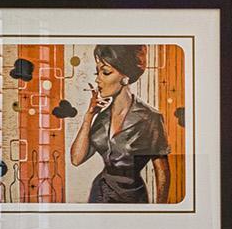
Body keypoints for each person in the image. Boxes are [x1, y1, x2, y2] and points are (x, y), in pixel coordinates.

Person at [69, 43, 169, 204]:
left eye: (105, 72)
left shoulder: (150, 118)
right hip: (99, 196)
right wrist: (88, 116)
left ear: (125, 77)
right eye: (97, 71)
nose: (97, 78)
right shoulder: (101, 118)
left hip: (132, 198)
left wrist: (161, 212)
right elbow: (76, 159)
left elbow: (162, 171)